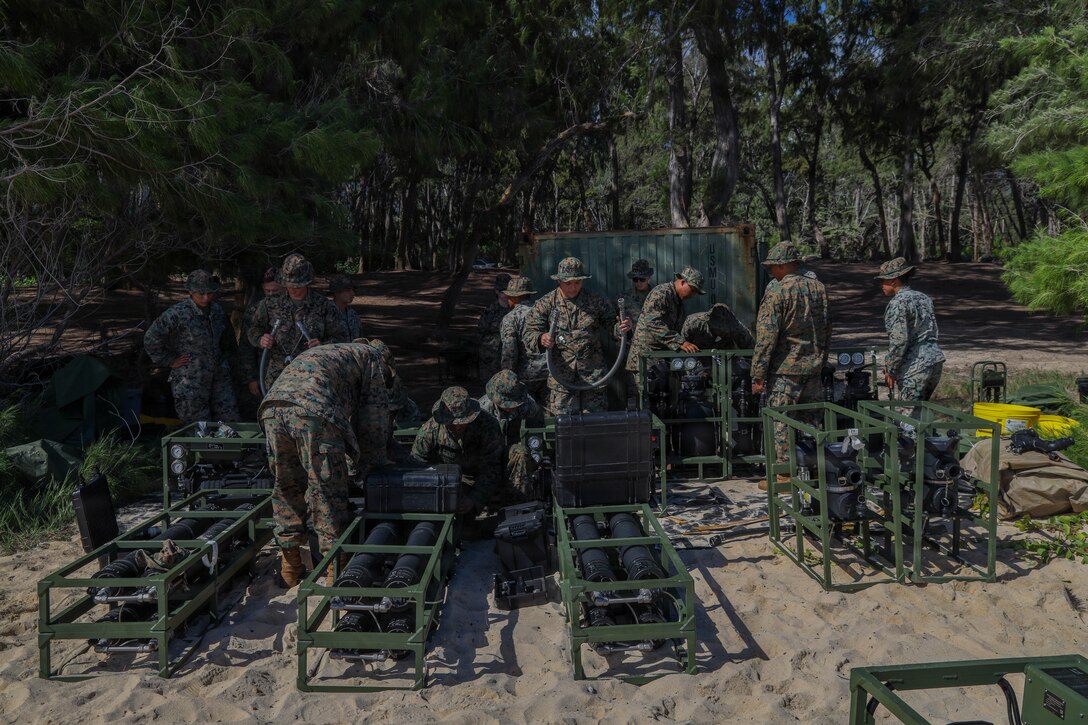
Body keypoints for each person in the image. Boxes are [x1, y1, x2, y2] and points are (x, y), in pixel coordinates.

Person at [259, 342, 390, 587]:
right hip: (312, 411)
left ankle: (291, 566)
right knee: (326, 488)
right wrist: (374, 463)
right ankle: (335, 566)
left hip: (272, 407)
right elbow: (374, 419)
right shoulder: (373, 358)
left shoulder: (335, 352)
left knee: (285, 485)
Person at [751, 242, 831, 490]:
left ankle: (784, 475)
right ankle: (813, 469)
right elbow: (827, 328)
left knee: (782, 422)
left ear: (785, 265)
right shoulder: (818, 288)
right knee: (812, 422)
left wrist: (757, 375)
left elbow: (766, 337)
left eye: (773, 267)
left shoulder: (777, 292)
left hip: (786, 370)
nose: (771, 272)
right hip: (813, 368)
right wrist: (821, 359)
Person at [522, 257, 632, 415]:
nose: (573, 288)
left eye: (577, 282)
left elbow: (613, 327)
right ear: (559, 281)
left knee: (595, 426)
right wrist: (541, 338)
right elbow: (529, 333)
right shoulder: (545, 304)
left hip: (593, 378)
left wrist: (622, 328)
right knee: (564, 429)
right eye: (568, 283)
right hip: (561, 379)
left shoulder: (596, 301)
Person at [143, 269, 240, 423]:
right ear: (190, 292)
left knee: (229, 422)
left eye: (209, 293)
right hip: (190, 380)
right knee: (198, 428)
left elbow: (228, 342)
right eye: (200, 294)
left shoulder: (217, 311)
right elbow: (151, 337)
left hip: (219, 377)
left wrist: (229, 364)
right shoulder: (177, 313)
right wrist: (169, 360)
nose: (206, 297)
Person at [246, 253, 347, 392]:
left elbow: (342, 338)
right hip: (278, 378)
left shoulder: (323, 305)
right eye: (289, 284)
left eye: (298, 285)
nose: (293, 289)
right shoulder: (269, 304)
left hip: (313, 377)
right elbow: (254, 329)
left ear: (307, 282)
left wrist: (323, 346)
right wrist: (261, 339)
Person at [411, 386, 504, 516]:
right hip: (448, 482)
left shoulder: (488, 426)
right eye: (452, 423)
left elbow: (492, 467)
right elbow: (417, 467)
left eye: (463, 421)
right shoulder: (429, 431)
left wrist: (474, 498)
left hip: (481, 478)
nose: (458, 426)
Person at [625, 266, 706, 404]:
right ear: (682, 282)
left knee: (662, 403)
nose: (692, 295)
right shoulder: (661, 293)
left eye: (695, 292)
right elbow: (654, 323)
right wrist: (680, 342)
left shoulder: (677, 301)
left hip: (660, 361)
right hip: (645, 362)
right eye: (692, 290)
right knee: (644, 405)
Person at [877, 257, 945, 404]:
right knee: (921, 412)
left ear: (894, 280)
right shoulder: (924, 298)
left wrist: (890, 368)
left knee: (906, 420)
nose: (881, 284)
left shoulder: (897, 303)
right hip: (935, 361)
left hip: (915, 366)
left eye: (883, 280)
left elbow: (899, 341)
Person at [478, 370, 545, 503]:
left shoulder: (529, 406)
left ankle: (519, 502)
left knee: (521, 452)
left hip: (514, 454)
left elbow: (537, 438)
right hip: (487, 454)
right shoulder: (482, 409)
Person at [235, 267, 282, 417]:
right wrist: (251, 377)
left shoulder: (292, 309)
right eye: (267, 291)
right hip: (264, 372)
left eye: (275, 291)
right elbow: (245, 347)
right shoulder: (254, 311)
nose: (271, 294)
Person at [499, 276, 548, 400]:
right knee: (550, 415)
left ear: (514, 297)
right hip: (548, 373)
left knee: (527, 413)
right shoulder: (543, 312)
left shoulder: (510, 318)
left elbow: (509, 352)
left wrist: (507, 376)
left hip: (525, 376)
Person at [477, 273, 511, 382]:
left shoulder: (516, 310)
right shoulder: (490, 310)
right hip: (491, 356)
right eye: (503, 291)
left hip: (509, 356)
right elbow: (482, 330)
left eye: (508, 290)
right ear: (497, 291)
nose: (506, 294)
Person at [681, 303, 755, 350]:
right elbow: (682, 345)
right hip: (696, 361)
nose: (719, 331)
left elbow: (750, 348)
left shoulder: (736, 327)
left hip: (725, 362)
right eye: (716, 328)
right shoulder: (693, 323)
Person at [617, 259, 654, 327]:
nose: (638, 283)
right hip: (633, 336)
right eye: (635, 279)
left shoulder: (657, 295)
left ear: (649, 278)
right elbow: (617, 324)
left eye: (642, 279)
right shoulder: (624, 297)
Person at [329, 275, 362, 340]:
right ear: (336, 292)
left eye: (353, 290)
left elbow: (360, 340)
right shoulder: (325, 313)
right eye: (348, 290)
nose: (353, 293)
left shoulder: (353, 314)